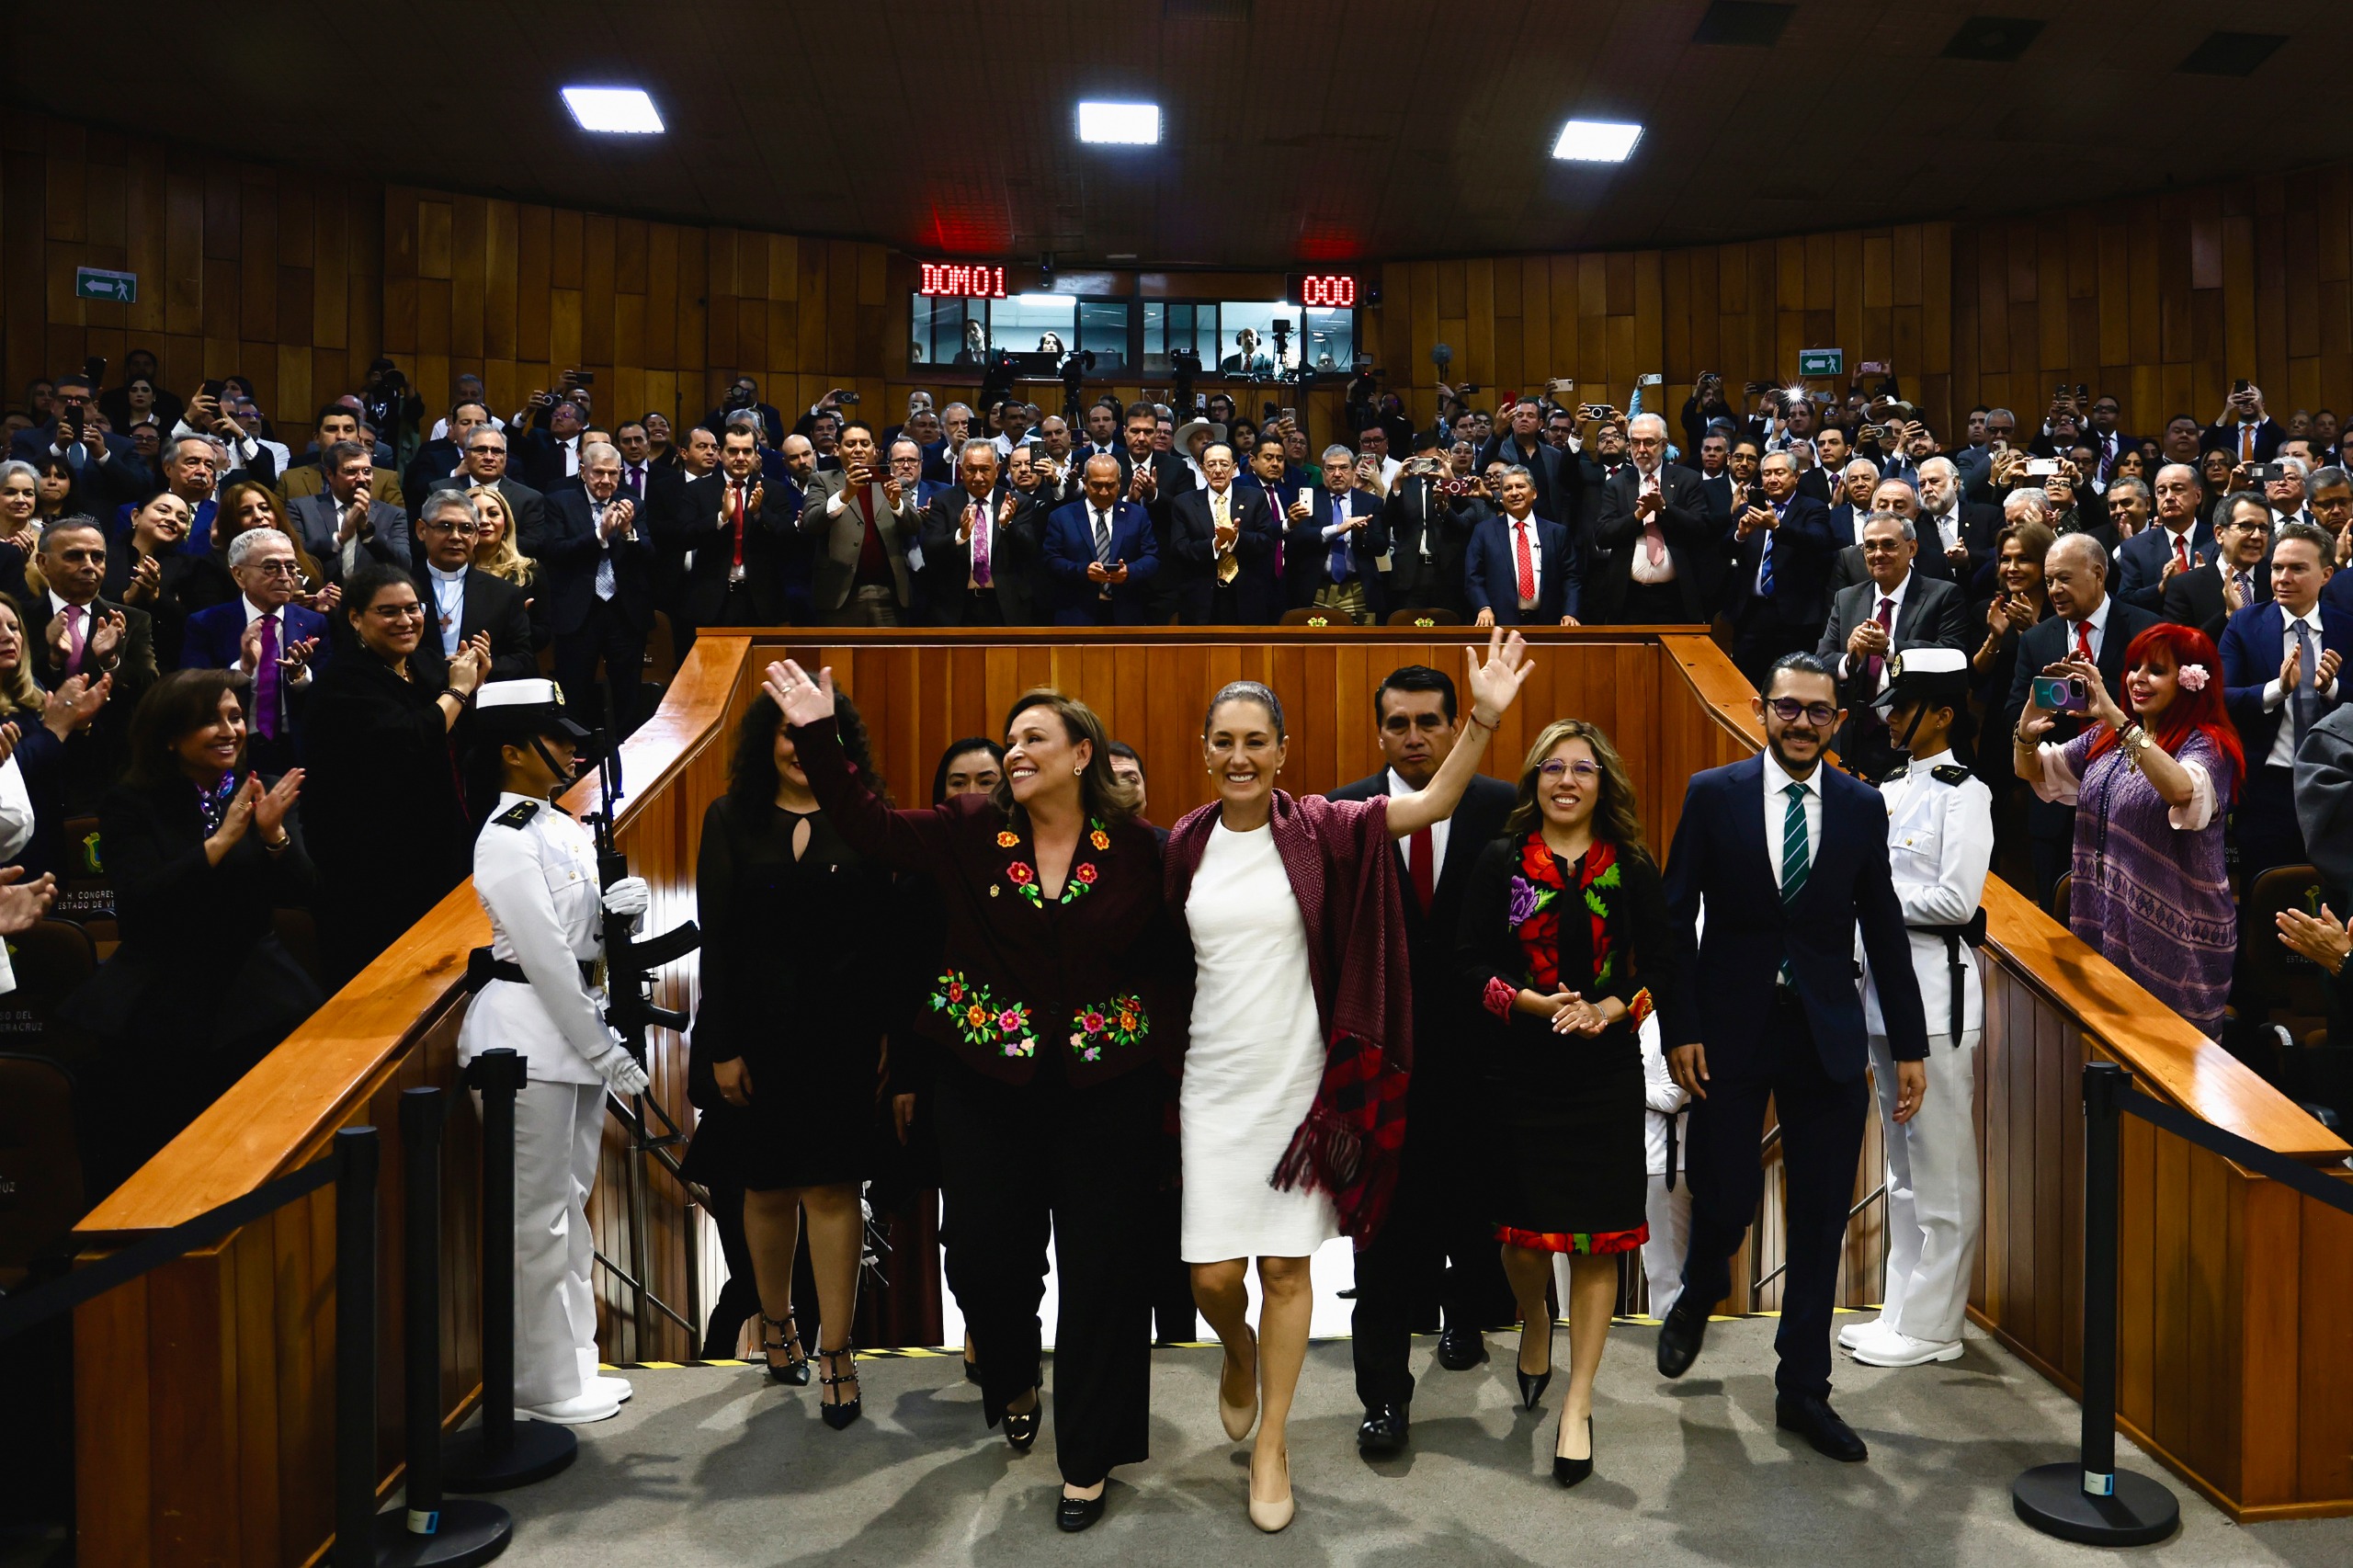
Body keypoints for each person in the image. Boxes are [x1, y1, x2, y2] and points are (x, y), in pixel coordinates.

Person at [767, 666, 1175, 1535]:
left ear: (1081, 755)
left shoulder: (1143, 849)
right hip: (986, 1085)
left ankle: (1088, 1459)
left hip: (1108, 1091)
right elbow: (867, 824)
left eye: (1033, 739)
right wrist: (817, 731)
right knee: (987, 1257)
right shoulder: (965, 831)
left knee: (1103, 1277)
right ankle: (1015, 1373)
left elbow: (1170, 968)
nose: (1013, 752)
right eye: (1010, 738)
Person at [1166, 631, 1532, 1532]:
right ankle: (1237, 1348)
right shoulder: (1180, 844)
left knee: (1288, 1268)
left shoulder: (1323, 825)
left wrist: (1483, 714)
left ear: (1283, 751)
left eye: (1257, 740)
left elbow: (1439, 795)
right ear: (1204, 750)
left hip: (1301, 1089)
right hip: (1210, 1091)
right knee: (1213, 1275)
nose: (1240, 755)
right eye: (1224, 741)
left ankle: (1272, 1445)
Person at [1655, 652, 1927, 1464]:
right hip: (1729, 1032)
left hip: (1826, 1036)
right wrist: (1679, 1029)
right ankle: (1701, 1288)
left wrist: (1908, 1044)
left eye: (1818, 711)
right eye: (1787, 708)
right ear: (1763, 712)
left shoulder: (1861, 805)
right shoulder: (1714, 796)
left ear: (1838, 720)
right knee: (1727, 1198)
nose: (1802, 722)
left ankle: (1802, 1391)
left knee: (1817, 1219)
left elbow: (1881, 925)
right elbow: (1674, 921)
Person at [1455, 715, 1682, 1487]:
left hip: (1604, 1070)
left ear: (1603, 783)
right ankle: (1531, 1317)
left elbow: (1661, 965)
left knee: (1599, 1238)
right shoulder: (1500, 860)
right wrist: (1530, 1002)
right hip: (1521, 1069)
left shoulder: (1635, 866)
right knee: (1522, 1242)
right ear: (1533, 782)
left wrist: (1610, 1012)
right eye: (1552, 768)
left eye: (1582, 769)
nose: (1566, 781)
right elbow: (1467, 965)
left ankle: (1578, 1403)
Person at [682, 688, 894, 1428]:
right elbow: (722, 942)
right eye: (787, 734)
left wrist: (887, 1039)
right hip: (757, 1041)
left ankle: (837, 1351)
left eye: (817, 735)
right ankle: (777, 1326)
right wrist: (724, 1048)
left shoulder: (865, 818)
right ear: (764, 742)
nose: (799, 749)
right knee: (767, 1192)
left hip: (842, 1040)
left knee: (834, 1191)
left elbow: (884, 945)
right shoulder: (728, 819)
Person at [1329, 665, 1517, 1456]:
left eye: (1430, 722)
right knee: (1381, 1234)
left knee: (1471, 1211)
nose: (1414, 737)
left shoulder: (1504, 808)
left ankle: (1466, 1316)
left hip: (1479, 1058)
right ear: (1380, 731)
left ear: (1452, 725)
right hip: (1382, 1062)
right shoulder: (1345, 811)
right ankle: (1383, 1399)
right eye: (1398, 723)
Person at [456, 678, 651, 1424]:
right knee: (535, 1220)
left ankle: (574, 1363)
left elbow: (581, 940)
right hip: (525, 1039)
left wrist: (613, 911)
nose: (572, 748)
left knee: (569, 1208)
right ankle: (539, 1383)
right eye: (554, 736)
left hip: (569, 1031)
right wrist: (603, 1047)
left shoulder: (565, 827)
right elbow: (541, 957)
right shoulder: (502, 839)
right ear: (512, 751)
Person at [57, 670, 317, 1200]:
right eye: (210, 721)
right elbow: (141, 907)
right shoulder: (132, 803)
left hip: (256, 991)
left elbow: (303, 891)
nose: (229, 730)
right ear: (170, 736)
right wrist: (219, 842)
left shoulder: (252, 790)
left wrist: (273, 836)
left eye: (235, 717)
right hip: (166, 995)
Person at [1837, 649, 1992, 1369]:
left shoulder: (1966, 793)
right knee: (1901, 1171)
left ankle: (1936, 1327)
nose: (1892, 718)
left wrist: (1872, 905)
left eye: (1906, 706)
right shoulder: (1896, 788)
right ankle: (1901, 1310)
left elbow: (1958, 901)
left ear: (1944, 714)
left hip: (1936, 999)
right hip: (1884, 998)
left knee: (1941, 1168)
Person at [2016, 622, 2242, 1038]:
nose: (2138, 678)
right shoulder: (2106, 737)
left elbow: (2180, 790)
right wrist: (2029, 724)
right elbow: (2034, 773)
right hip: (2102, 921)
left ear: (2191, 680)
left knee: (2167, 1067)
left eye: (2155, 670)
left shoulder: (2208, 745)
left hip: (2180, 941)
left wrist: (2116, 718)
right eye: (2134, 667)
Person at [301, 563, 488, 984]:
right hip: (370, 865)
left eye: (412, 608)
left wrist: (472, 688)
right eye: (388, 612)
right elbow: (411, 738)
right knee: (386, 982)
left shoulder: (420, 665)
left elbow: (460, 738)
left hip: (433, 846)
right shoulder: (343, 681)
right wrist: (457, 690)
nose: (405, 620)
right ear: (355, 618)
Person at [2001, 534, 2159, 903]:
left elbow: (2162, 712)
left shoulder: (2147, 629)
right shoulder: (2036, 640)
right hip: (2057, 807)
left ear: (2099, 574)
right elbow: (2013, 714)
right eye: (2050, 580)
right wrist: (2041, 714)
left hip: (2131, 798)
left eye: (2065, 579)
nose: (2054, 590)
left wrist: (2101, 700)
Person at [2219, 520, 2352, 884]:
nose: (2283, 578)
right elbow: (2220, 698)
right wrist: (2277, 688)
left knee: (2332, 900)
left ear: (2326, 574)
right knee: (2262, 901)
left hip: (2337, 787)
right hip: (2267, 788)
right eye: (2277, 567)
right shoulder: (2245, 624)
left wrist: (2332, 689)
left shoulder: (2348, 627)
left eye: (2297, 568)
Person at [1816, 513, 1973, 777]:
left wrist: (1890, 649)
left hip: (1919, 742)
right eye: (1870, 546)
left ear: (1912, 548)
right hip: (1856, 742)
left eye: (1889, 545)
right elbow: (1821, 662)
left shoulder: (1943, 595)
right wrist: (1850, 659)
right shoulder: (1847, 599)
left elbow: (1953, 656)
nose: (1878, 553)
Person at [531, 441, 655, 740]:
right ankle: (578, 755)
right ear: (583, 471)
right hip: (578, 611)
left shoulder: (632, 504)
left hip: (624, 612)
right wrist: (600, 534)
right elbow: (555, 551)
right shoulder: (560, 501)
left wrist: (628, 533)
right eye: (599, 472)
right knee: (574, 689)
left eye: (613, 474)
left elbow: (649, 557)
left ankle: (626, 750)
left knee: (627, 690)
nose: (606, 481)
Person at [1590, 413, 1717, 624]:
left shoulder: (1688, 479)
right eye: (1635, 442)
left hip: (1676, 597)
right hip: (1628, 597)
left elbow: (1700, 529)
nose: (1641, 450)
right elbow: (1603, 535)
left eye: (1649, 442)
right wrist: (1638, 516)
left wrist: (1664, 509)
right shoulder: (1617, 484)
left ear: (1664, 444)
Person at [1722, 452, 1836, 687]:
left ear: (1796, 476)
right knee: (1745, 684)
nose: (1772, 478)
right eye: (1767, 473)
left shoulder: (1813, 508)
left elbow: (1819, 541)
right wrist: (1740, 535)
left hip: (1794, 615)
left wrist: (1777, 527)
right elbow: (1724, 550)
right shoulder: (1749, 509)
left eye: (1779, 472)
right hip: (1751, 613)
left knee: (1794, 684)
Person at [801, 421, 920, 626]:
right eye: (851, 444)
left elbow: (914, 526)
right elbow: (811, 523)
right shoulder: (821, 481)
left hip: (889, 594)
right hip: (839, 594)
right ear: (837, 450)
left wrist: (896, 503)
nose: (858, 449)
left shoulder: (894, 482)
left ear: (874, 450)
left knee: (888, 657)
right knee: (838, 658)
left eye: (864, 443)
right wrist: (845, 496)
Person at [1168, 443, 1279, 625]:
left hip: (1247, 595)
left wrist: (1236, 539)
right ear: (1202, 469)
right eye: (1211, 465)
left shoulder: (1255, 498)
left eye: (1224, 464)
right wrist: (1215, 544)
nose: (1218, 470)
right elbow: (1178, 549)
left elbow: (1267, 542)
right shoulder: (1184, 503)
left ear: (1234, 468)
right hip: (1201, 599)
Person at [1044, 454, 1159, 625]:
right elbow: (1051, 560)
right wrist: (1083, 571)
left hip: (1126, 614)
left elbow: (1152, 558)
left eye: (1110, 485)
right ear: (1084, 481)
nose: (1104, 492)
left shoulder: (1137, 515)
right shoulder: (1061, 517)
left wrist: (1129, 572)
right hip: (1076, 615)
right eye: (1097, 485)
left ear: (1119, 482)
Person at [1465, 466, 1576, 627]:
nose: (1514, 493)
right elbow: (1473, 577)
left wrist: (1570, 613)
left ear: (1534, 493)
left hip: (1549, 623)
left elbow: (1571, 577)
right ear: (1501, 497)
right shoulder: (1484, 532)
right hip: (1500, 623)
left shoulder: (1556, 532)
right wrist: (1484, 607)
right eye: (1508, 488)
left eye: (1520, 486)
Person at [2164, 489, 2273, 642]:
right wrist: (2229, 616)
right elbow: (2180, 649)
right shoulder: (2186, 586)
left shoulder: (2277, 579)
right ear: (2219, 534)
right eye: (2246, 526)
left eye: (2262, 528)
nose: (2256, 536)